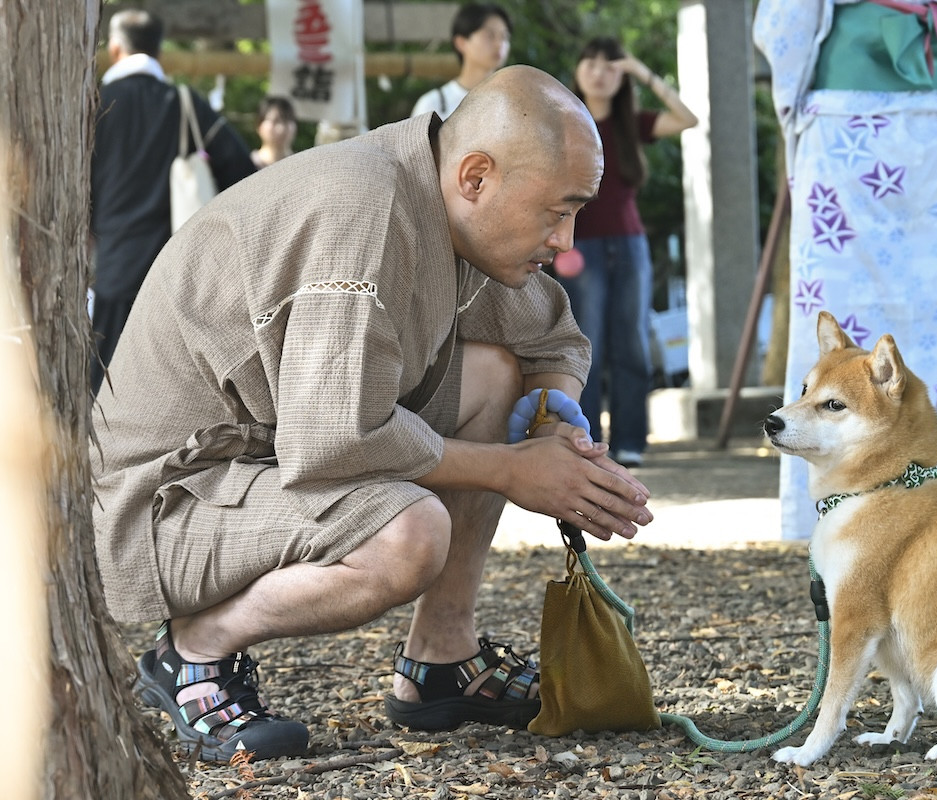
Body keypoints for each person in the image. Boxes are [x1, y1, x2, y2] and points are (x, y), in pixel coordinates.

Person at [90, 65, 655, 761]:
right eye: (557, 211)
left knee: (494, 373)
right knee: (407, 537)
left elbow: (552, 340)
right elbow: (335, 436)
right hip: (165, 500)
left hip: (267, 464)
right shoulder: (367, 209)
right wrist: (515, 471)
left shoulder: (439, 191)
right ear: (476, 177)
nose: (568, 242)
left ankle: (443, 658)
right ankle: (192, 651)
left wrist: (552, 421)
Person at [753, 0, 937, 540]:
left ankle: (839, 516)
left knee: (837, 311)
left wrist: (793, 104)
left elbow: (785, 23)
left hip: (848, 114)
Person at [90, 9, 255, 396]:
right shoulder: (183, 103)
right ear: (159, 50)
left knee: (105, 396)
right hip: (175, 278)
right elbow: (246, 174)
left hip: (112, 274)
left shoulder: (94, 104)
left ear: (115, 49)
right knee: (168, 395)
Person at [554, 37, 698, 468]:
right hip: (581, 247)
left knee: (632, 342)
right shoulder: (562, 120)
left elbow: (687, 119)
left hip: (630, 243)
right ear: (578, 70)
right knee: (587, 343)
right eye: (591, 63)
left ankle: (632, 440)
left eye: (611, 65)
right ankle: (588, 438)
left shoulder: (630, 123)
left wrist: (642, 71)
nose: (600, 72)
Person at [410, 3, 511, 119]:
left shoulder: (512, 100)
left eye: (504, 36)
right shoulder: (433, 104)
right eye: (490, 35)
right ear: (461, 43)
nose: (499, 44)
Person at [250, 95, 297, 169]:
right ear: (259, 125)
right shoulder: (247, 164)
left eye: (287, 120)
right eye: (275, 121)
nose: (281, 128)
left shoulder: (301, 165)